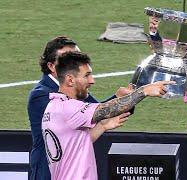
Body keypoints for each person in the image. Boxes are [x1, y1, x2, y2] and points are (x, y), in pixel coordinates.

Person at [42, 51, 173, 179]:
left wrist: (102, 126)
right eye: (87, 75)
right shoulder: (68, 108)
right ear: (70, 80)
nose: (92, 81)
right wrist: (144, 91)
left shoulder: (54, 106)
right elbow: (108, 109)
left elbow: (74, 145)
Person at [27, 36, 133, 180]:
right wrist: (142, 93)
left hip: (74, 166)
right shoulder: (42, 95)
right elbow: (96, 114)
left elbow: (99, 113)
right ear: (51, 66)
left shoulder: (75, 86)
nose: (76, 62)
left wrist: (122, 99)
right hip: (49, 172)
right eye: (68, 58)